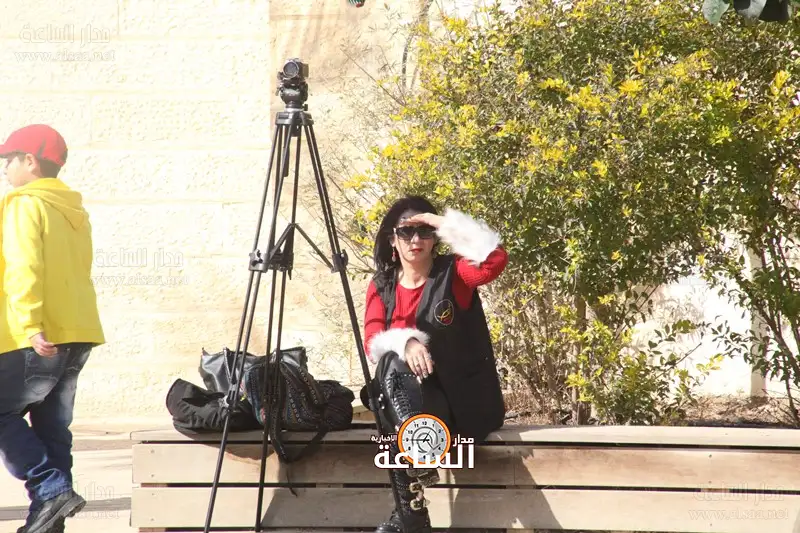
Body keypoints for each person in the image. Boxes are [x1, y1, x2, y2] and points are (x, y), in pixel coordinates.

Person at [361, 195, 508, 533]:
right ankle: (416, 462)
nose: (416, 240)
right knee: (390, 363)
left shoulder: (453, 273)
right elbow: (372, 340)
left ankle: (411, 513)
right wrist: (407, 341)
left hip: (458, 401)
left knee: (391, 408)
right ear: (392, 239)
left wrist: (443, 222)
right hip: (410, 403)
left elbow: (495, 260)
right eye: (406, 232)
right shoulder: (381, 285)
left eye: (424, 232)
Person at [0, 124, 105, 533]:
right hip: (77, 330)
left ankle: (50, 489)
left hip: (36, 334)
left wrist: (29, 324)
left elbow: (24, 266)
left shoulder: (24, 204)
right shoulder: (73, 210)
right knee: (51, 426)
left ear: (30, 161)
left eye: (9, 160)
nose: (5, 168)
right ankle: (49, 521)